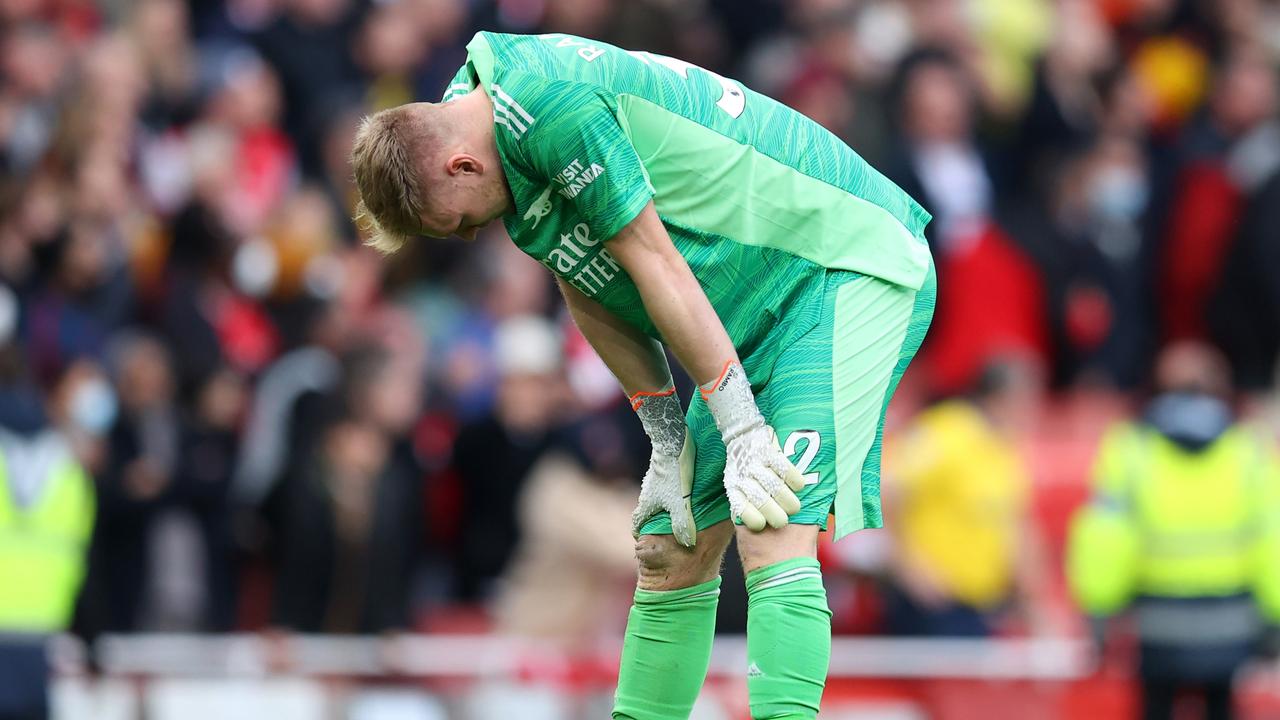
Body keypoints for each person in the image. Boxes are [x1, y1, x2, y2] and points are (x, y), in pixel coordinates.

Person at [349, 31, 935, 720]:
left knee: (769, 520)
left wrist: (742, 428)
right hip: (752, 305)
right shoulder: (476, 120)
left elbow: (653, 263)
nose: (465, 235)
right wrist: (663, 433)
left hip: (844, 266)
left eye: (451, 221)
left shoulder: (551, 106)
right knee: (668, 548)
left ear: (461, 165)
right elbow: (583, 276)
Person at [1067, 342, 1280, 720]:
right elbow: (1271, 539)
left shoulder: (1131, 450)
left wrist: (1099, 608)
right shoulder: (1249, 451)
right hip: (1229, 624)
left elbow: (1105, 538)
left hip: (1156, 625)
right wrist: (1275, 615)